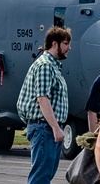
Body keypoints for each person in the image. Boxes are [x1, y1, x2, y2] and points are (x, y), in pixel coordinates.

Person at [17, 26, 72, 184]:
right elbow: (42, 99)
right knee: (41, 176)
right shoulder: (46, 66)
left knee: (45, 175)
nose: (69, 48)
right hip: (44, 128)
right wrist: (55, 128)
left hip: (47, 128)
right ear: (55, 44)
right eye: (66, 43)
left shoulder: (52, 65)